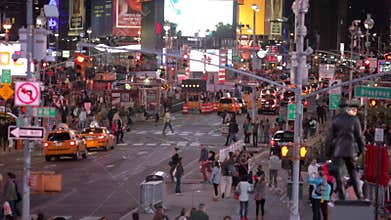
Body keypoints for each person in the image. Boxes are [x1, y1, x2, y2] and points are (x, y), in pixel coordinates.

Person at [325, 100, 365, 200]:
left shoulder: (335, 120)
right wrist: (361, 149)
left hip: (338, 149)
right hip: (350, 149)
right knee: (353, 172)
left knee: (339, 173)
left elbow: (329, 138)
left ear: (339, 108)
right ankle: (359, 195)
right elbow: (359, 136)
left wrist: (328, 151)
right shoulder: (354, 119)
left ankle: (342, 196)